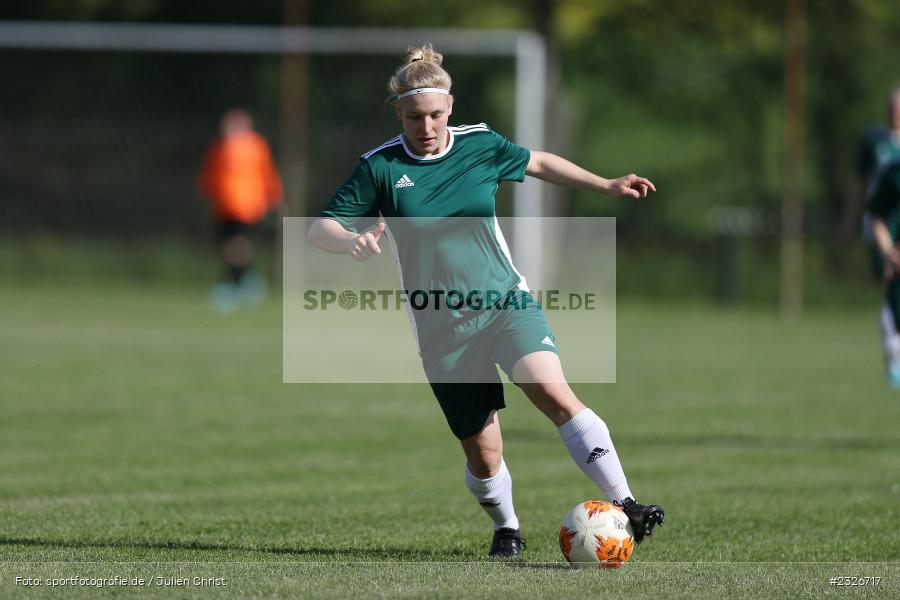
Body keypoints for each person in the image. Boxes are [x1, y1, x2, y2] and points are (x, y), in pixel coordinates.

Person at [308, 44, 664, 558]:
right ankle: (508, 527)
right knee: (483, 453)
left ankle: (627, 503)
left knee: (552, 390)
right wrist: (352, 241)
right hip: (441, 328)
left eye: (434, 115)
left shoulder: (480, 144)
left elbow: (538, 162)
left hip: (503, 302)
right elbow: (322, 228)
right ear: (398, 114)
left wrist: (606, 183)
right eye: (413, 117)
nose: (425, 127)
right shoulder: (380, 167)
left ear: (450, 106)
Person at [198, 108, 283, 312]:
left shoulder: (256, 146)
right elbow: (210, 176)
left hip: (246, 206)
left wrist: (274, 197)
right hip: (223, 207)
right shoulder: (218, 148)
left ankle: (235, 284)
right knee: (227, 246)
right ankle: (246, 279)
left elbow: (267, 173)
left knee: (236, 245)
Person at [850, 89, 900, 386]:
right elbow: (866, 197)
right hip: (887, 232)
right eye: (892, 106)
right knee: (888, 285)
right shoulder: (875, 144)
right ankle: (894, 359)